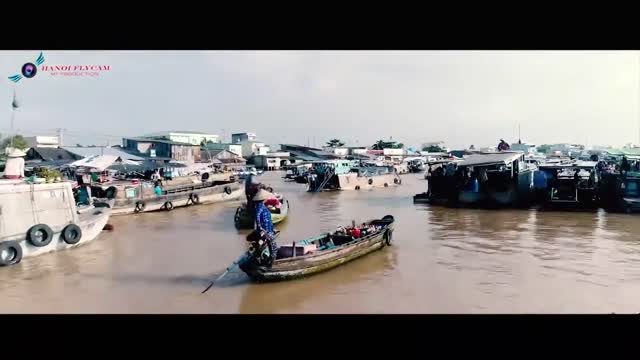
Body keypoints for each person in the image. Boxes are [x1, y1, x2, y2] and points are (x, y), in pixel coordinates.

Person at [253, 189, 278, 263]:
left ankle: (259, 259)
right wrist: (267, 232)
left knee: (262, 246)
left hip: (262, 231)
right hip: (266, 231)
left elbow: (257, 221)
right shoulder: (262, 209)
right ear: (263, 199)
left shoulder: (258, 207)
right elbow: (265, 221)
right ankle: (272, 262)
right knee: (273, 247)